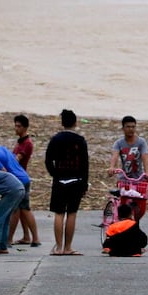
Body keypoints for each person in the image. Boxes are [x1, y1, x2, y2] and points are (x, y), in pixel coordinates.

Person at [45, 108, 89, 256]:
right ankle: (68, 247)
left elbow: (48, 160)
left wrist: (55, 174)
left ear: (62, 123)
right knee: (71, 213)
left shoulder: (56, 139)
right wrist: (84, 183)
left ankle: (58, 247)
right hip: (76, 181)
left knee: (59, 213)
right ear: (75, 123)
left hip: (60, 181)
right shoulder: (80, 140)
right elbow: (85, 164)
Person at [0, 138, 33, 246]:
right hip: (23, 177)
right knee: (24, 209)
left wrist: (1, 194)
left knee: (15, 211)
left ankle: (8, 239)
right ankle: (29, 237)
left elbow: (3, 173)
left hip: (16, 182)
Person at [9, 114, 42, 247]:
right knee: (22, 209)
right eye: (15, 125)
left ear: (25, 127)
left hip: (20, 179)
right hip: (18, 177)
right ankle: (27, 236)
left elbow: (16, 160)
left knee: (20, 209)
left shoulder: (27, 143)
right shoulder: (20, 141)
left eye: (19, 126)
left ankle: (11, 238)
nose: (16, 128)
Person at [110, 115, 148, 220]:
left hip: (138, 178)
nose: (131, 129)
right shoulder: (119, 143)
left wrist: (147, 173)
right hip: (125, 178)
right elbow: (115, 156)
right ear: (123, 128)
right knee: (123, 206)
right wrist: (111, 168)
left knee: (140, 206)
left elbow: (145, 158)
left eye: (133, 127)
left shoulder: (141, 142)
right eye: (128, 127)